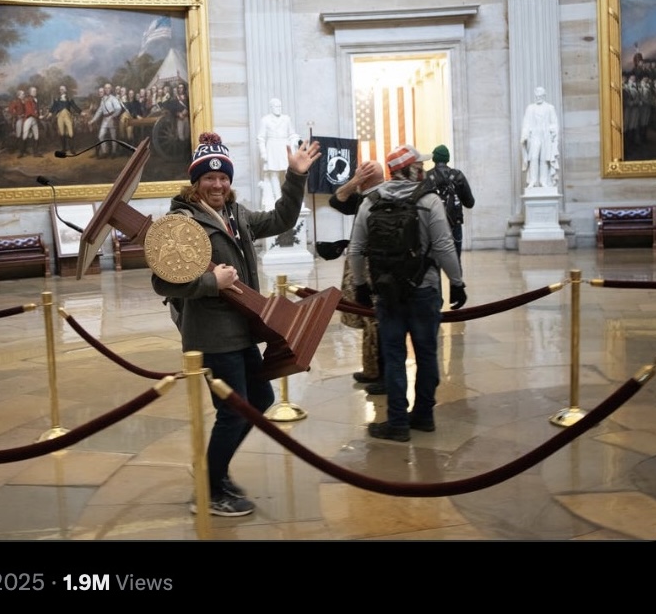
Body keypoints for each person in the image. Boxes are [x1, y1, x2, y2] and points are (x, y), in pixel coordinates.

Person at [151, 131, 321, 516]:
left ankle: (214, 470)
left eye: (223, 177)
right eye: (209, 178)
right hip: (211, 335)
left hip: (242, 329)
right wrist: (213, 281)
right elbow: (162, 281)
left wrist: (295, 176)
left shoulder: (236, 214)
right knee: (234, 409)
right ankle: (209, 491)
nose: (217, 184)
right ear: (196, 183)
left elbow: (282, 217)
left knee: (259, 400)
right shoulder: (181, 222)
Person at [348, 145, 467, 442]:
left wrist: (361, 285)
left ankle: (397, 422)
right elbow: (444, 246)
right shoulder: (429, 200)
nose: (424, 170)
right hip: (424, 289)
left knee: (394, 355)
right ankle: (424, 415)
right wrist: (457, 282)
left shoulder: (370, 201)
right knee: (427, 354)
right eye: (420, 166)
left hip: (387, 292)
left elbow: (356, 249)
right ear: (412, 169)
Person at [329, 160, 386, 385]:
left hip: (373, 269)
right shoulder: (364, 197)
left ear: (366, 179)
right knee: (369, 323)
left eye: (359, 174)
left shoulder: (380, 197)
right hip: (365, 266)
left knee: (375, 322)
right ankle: (372, 370)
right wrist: (356, 181)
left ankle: (381, 375)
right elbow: (337, 199)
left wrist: (356, 181)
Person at [425, 145, 475, 265]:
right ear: (447, 158)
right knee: (455, 264)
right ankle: (456, 283)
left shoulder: (426, 177)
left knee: (433, 265)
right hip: (454, 225)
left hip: (433, 226)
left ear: (434, 159)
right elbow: (470, 203)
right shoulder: (458, 176)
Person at [256, 98, 301, 209]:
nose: (278, 109)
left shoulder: (286, 119)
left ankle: (288, 195)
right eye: (276, 106)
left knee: (288, 172)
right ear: (271, 108)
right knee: (273, 173)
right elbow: (260, 138)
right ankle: (277, 197)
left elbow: (292, 134)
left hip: (284, 146)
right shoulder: (265, 120)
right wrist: (263, 153)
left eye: (280, 106)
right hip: (272, 147)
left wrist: (296, 140)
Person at [520, 86, 559, 188]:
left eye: (541, 95)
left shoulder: (550, 108)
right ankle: (533, 180)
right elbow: (526, 124)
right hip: (534, 136)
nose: (539, 97)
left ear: (544, 95)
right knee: (533, 157)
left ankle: (543, 181)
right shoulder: (530, 108)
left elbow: (554, 123)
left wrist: (553, 131)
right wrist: (524, 135)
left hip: (545, 135)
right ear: (535, 95)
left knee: (544, 159)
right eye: (537, 96)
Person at [89, 83, 124, 157]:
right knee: (101, 136)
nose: (107, 89)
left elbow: (118, 108)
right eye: (106, 88)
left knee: (113, 137)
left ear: (111, 89)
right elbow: (99, 111)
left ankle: (114, 152)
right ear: (104, 89)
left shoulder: (113, 98)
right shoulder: (103, 99)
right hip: (105, 120)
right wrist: (92, 120)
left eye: (108, 88)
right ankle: (105, 152)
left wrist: (113, 116)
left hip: (112, 119)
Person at [47, 85, 81, 153]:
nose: (61, 90)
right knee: (61, 132)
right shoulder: (57, 99)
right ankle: (64, 149)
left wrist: (81, 112)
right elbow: (53, 107)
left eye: (63, 89)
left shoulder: (69, 98)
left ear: (65, 90)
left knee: (70, 132)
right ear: (59, 91)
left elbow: (74, 106)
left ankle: (72, 149)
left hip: (67, 116)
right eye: (60, 89)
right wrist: (50, 113)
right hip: (60, 116)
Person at [19, 86, 41, 157]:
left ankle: (36, 153)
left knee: (36, 136)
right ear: (30, 92)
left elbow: (36, 110)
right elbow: (30, 111)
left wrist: (39, 115)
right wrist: (38, 116)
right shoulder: (27, 99)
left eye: (36, 91)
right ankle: (22, 153)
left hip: (34, 119)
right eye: (34, 91)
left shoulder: (36, 100)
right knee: (25, 135)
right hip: (28, 119)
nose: (35, 92)